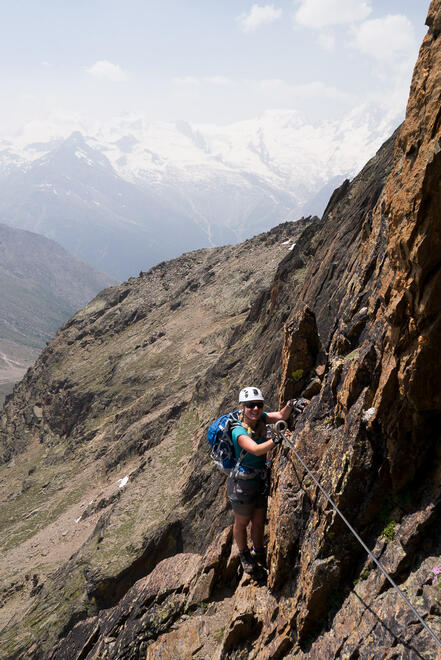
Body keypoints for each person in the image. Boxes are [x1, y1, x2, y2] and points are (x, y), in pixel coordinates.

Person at [228, 386, 308, 574]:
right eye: (250, 405)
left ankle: (259, 552)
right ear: (242, 407)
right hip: (242, 484)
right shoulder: (238, 430)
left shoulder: (261, 418)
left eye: (258, 405)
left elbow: (281, 415)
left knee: (258, 520)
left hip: (259, 480)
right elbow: (255, 450)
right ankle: (244, 555)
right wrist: (277, 439)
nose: (255, 409)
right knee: (241, 523)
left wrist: (291, 404)